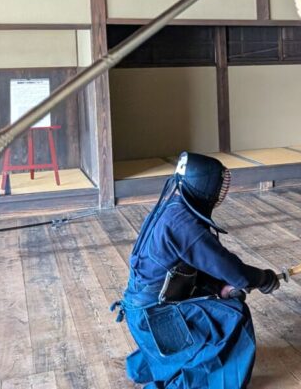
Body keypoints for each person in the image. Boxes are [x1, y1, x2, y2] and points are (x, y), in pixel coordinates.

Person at [113, 152, 281, 388]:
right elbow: (232, 269)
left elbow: (200, 266)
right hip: (153, 318)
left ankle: (161, 363)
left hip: (144, 309)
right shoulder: (183, 224)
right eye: (218, 185)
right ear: (204, 186)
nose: (220, 191)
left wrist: (217, 287)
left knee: (220, 302)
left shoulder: (175, 207)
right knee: (234, 313)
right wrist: (264, 279)